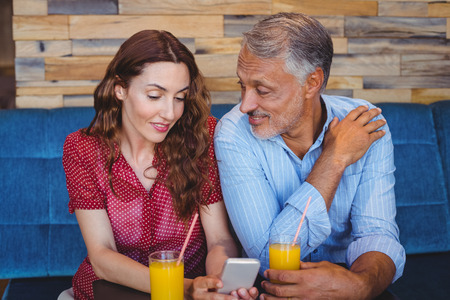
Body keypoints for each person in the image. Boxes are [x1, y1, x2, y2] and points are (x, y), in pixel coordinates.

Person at [214, 12, 406, 300]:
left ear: (312, 82)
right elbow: (269, 258)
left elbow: (376, 233)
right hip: (271, 288)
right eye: (242, 85)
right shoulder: (233, 134)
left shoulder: (364, 123)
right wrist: (334, 159)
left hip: (350, 278)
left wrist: (361, 285)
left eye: (262, 89)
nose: (245, 105)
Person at [62, 30, 258, 300]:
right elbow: (101, 255)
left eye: (180, 97)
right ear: (120, 89)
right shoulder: (82, 148)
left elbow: (219, 241)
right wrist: (185, 288)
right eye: (155, 95)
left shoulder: (202, 137)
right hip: (112, 293)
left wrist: (215, 284)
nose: (170, 113)